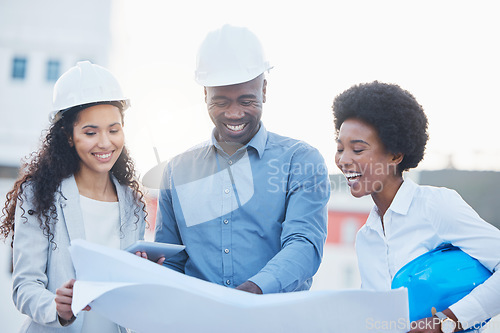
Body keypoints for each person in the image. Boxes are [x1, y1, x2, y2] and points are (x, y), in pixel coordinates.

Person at [154, 24, 330, 294]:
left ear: (264, 91)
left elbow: (304, 245)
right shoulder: (177, 171)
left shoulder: (301, 161)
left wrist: (250, 293)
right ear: (205, 95)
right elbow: (171, 261)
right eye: (222, 102)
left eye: (246, 100)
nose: (234, 114)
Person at [332, 81, 500, 332]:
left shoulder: (436, 206)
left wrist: (447, 321)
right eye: (340, 149)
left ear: (395, 155)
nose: (344, 160)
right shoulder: (366, 238)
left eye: (357, 149)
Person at [0, 61, 147, 332]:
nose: (105, 142)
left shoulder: (132, 202)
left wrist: (144, 272)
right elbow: (24, 287)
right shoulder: (38, 195)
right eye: (90, 132)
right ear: (68, 136)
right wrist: (56, 307)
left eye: (114, 130)